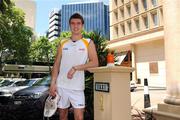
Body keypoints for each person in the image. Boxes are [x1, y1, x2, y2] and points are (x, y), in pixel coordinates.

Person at [49, 13, 99, 120]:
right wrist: (53, 83)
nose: (75, 26)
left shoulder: (88, 42)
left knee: (79, 117)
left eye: (78, 23)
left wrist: (75, 68)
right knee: (62, 116)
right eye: (72, 23)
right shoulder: (63, 43)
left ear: (82, 25)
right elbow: (56, 64)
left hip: (77, 87)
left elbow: (95, 63)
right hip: (61, 86)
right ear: (69, 25)